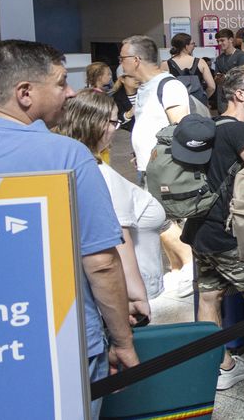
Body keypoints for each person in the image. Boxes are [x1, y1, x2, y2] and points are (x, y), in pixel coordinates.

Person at [0, 40, 138, 418]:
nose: (71, 92)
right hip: (60, 341)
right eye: (61, 83)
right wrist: (122, 341)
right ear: (25, 93)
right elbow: (101, 263)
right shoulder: (65, 156)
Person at [177, 66, 244, 393]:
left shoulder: (209, 125)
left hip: (199, 230)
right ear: (239, 94)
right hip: (227, 233)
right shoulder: (239, 131)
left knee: (209, 296)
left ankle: (222, 366)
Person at [57, 90, 168, 325]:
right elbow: (120, 239)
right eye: (113, 122)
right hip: (124, 296)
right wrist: (135, 295)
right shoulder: (101, 175)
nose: (116, 129)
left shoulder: (70, 164)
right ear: (95, 123)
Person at [122, 35, 194, 179]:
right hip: (146, 168)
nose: (121, 64)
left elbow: (180, 132)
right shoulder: (145, 87)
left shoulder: (169, 86)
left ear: (136, 60)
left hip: (164, 174)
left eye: (122, 58)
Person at [167, 32, 216, 105]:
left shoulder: (166, 65)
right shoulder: (201, 62)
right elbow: (212, 87)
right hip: (198, 105)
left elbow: (164, 89)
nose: (194, 46)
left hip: (177, 106)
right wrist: (202, 99)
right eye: (193, 44)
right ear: (186, 46)